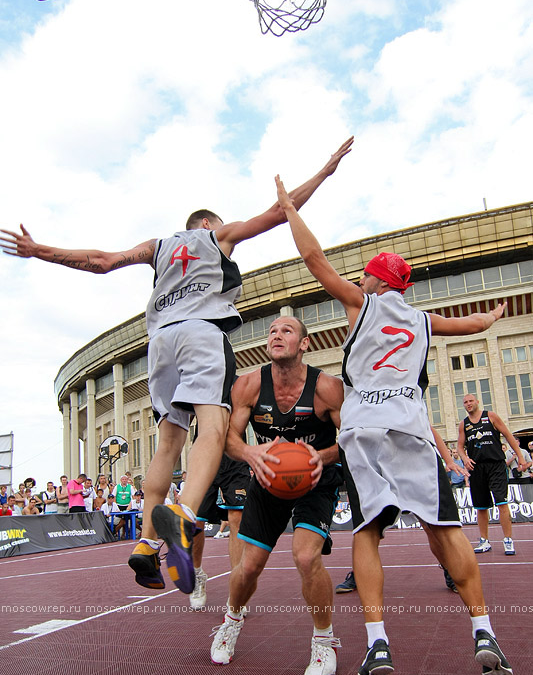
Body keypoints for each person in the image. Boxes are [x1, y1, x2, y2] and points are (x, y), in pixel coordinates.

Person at [1, 137, 353, 595]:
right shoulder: (216, 236)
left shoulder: (158, 246)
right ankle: (185, 518)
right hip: (201, 333)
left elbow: (102, 261)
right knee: (214, 423)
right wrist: (323, 173)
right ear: (207, 224)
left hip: (159, 344)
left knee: (169, 441)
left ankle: (147, 544)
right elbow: (279, 211)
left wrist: (40, 250)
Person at [274, 173, 513, 675]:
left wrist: (289, 209)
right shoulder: (423, 320)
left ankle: (377, 642)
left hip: (364, 434)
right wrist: (490, 317)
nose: (359, 281)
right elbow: (469, 325)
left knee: (368, 532)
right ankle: (484, 629)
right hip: (409, 429)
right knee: (444, 529)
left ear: (379, 282)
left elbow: (314, 259)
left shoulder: (362, 307)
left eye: (365, 276)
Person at [210, 315, 345, 675]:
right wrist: (251, 454)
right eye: (272, 331)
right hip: (269, 479)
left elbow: (353, 437)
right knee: (249, 566)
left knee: (305, 555)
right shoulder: (249, 385)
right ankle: (231, 621)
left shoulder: (327, 388)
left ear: (304, 344)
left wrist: (324, 456)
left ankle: (323, 641)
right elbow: (228, 437)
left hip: (316, 479)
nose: (276, 335)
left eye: (287, 330)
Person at [458, 395, 528, 556]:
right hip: (477, 468)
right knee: (481, 507)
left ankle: (508, 539)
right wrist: (464, 458)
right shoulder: (464, 424)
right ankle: (484, 540)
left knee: (502, 503)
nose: (468, 404)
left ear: (477, 402)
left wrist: (520, 456)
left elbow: (509, 436)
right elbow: (460, 447)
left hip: (496, 465)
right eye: (465, 402)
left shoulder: (490, 416)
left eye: (470, 401)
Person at [190, 453, 251, 610]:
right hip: (206, 457)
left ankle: (237, 589)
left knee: (237, 517)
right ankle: (197, 574)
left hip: (235, 460)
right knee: (196, 520)